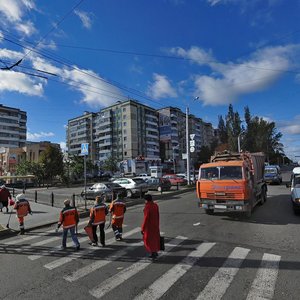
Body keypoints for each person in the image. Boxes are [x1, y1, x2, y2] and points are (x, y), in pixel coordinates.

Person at [141, 194, 160, 259]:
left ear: (146, 200)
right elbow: (158, 215)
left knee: (148, 240)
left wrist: (142, 228)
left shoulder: (147, 207)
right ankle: (155, 252)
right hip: (155, 224)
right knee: (154, 239)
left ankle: (153, 253)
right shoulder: (155, 205)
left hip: (149, 227)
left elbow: (146, 218)